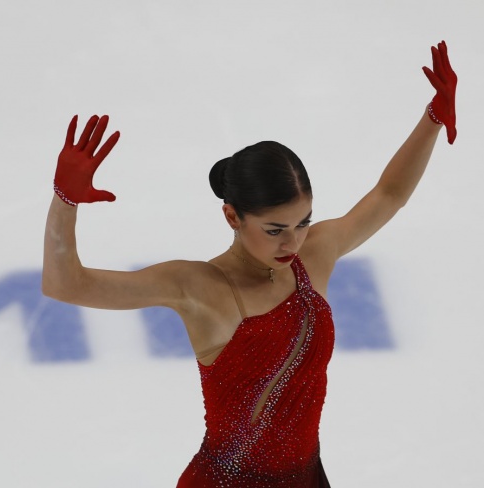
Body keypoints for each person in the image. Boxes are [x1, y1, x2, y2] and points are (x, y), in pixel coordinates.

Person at [43, 41, 457, 487]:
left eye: (303, 222)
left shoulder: (313, 255)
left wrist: (433, 117)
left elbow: (387, 195)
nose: (293, 242)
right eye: (275, 229)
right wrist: (65, 201)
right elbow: (67, 285)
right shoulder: (198, 286)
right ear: (232, 216)